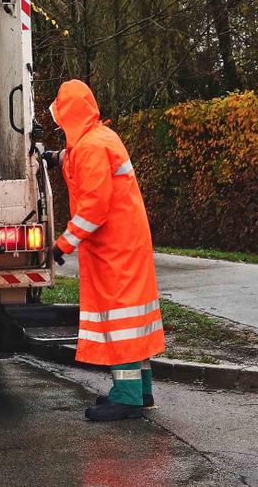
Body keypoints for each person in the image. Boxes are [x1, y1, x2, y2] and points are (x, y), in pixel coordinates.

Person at [44, 79, 165, 421]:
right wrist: (56, 157)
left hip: (114, 249)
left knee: (121, 321)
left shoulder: (90, 147)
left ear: (69, 114)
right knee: (133, 319)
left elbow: (95, 206)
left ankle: (126, 397)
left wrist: (62, 244)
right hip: (126, 244)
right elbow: (79, 159)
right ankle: (141, 392)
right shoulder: (101, 137)